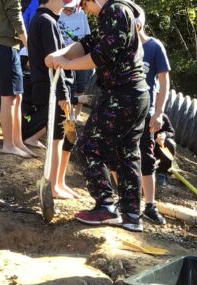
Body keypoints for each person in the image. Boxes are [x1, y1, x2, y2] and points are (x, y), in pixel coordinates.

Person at [45, 0, 150, 232]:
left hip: (122, 94)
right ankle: (132, 215)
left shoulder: (115, 11)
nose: (83, 9)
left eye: (84, 3)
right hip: (135, 95)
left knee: (89, 145)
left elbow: (100, 56)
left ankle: (106, 206)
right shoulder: (112, 16)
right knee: (127, 153)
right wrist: (60, 54)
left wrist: (67, 63)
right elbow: (88, 44)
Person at [23, 0, 75, 201]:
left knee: (65, 134)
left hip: (52, 87)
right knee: (57, 137)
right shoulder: (45, 21)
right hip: (51, 88)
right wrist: (63, 94)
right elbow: (54, 63)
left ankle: (60, 181)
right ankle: (53, 185)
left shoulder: (46, 19)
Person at [0, 0, 33, 158]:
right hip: (4, 46)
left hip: (6, 47)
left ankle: (18, 141)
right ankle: (8, 144)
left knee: (17, 96)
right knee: (8, 97)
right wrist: (29, 46)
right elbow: (15, 14)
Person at [136, 11, 171, 225]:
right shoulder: (121, 47)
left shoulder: (154, 47)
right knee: (118, 157)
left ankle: (149, 205)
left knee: (146, 159)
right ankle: (127, 200)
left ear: (138, 26)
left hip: (145, 114)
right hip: (123, 112)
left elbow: (164, 83)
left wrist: (158, 113)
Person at [153, 113, 176, 186]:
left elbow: (172, 132)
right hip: (141, 146)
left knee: (170, 143)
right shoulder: (140, 111)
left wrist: (164, 134)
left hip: (157, 148)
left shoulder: (162, 117)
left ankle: (162, 172)